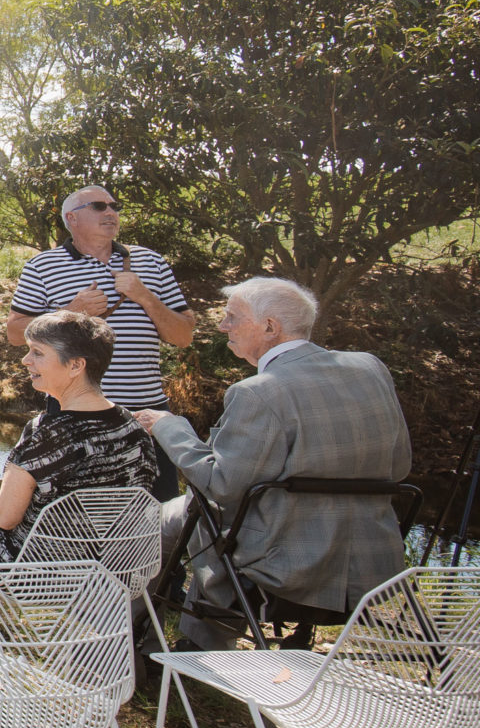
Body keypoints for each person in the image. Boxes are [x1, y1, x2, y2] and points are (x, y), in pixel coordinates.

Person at [135, 277, 411, 651]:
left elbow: (222, 485)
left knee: (146, 527)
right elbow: (399, 466)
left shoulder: (258, 391)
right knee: (197, 514)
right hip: (372, 563)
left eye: (232, 317)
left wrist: (170, 427)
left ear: (270, 327)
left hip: (287, 565)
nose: (221, 326)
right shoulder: (370, 368)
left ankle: (162, 648)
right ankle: (194, 642)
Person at [0, 311, 156, 599]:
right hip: (113, 572)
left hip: (35, 574)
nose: (25, 361)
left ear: (75, 365)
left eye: (37, 353)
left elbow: (3, 517)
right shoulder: (133, 428)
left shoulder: (49, 432)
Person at [8, 186, 193, 502]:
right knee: (74, 510)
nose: (111, 213)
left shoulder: (151, 262)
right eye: (98, 206)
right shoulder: (42, 266)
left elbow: (184, 336)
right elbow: (14, 333)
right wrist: (71, 311)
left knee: (157, 511)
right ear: (72, 218)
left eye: (114, 206)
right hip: (73, 411)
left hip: (148, 411)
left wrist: (144, 296)